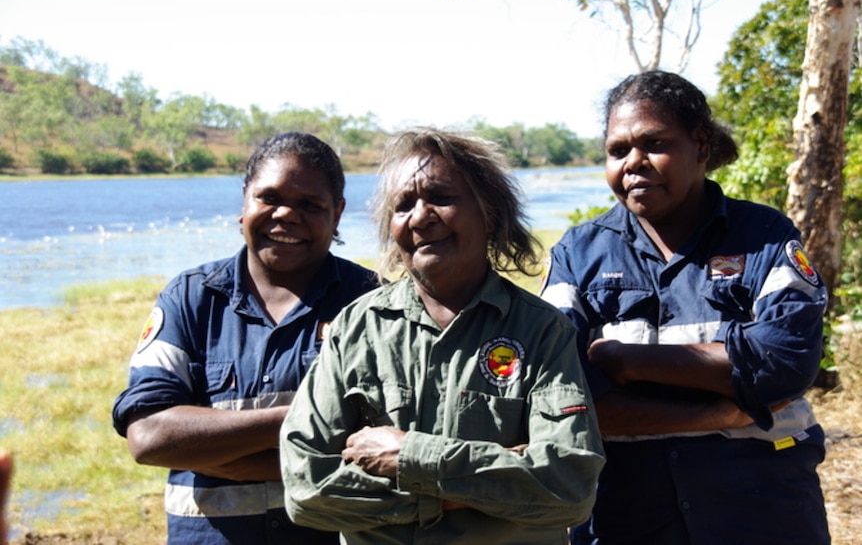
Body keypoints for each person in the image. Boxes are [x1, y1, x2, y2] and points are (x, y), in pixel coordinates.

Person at [541, 70, 831, 545]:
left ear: (700, 146)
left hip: (763, 515)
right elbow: (561, 399)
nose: (634, 163)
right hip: (625, 520)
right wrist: (719, 412)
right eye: (617, 151)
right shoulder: (578, 254)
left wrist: (623, 361)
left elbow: (784, 364)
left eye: (654, 143)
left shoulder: (764, 238)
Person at [279, 128, 605, 544]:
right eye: (403, 205)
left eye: (440, 197)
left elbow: (569, 488)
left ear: (489, 212)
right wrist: (483, 478)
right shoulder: (354, 329)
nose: (420, 216)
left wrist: (408, 457)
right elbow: (306, 488)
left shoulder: (542, 332)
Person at [112, 132, 378, 545]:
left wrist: (228, 457)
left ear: (338, 213)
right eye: (269, 198)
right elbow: (148, 435)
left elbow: (389, 441)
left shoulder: (372, 302)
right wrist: (315, 423)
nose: (286, 215)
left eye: (310, 204)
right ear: (245, 201)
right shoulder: (190, 298)